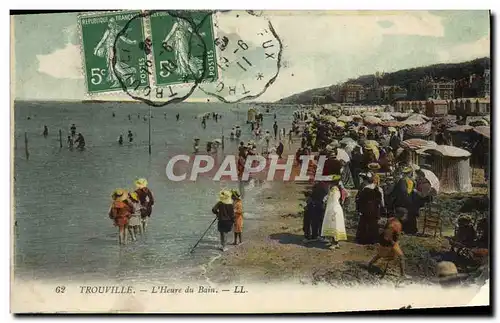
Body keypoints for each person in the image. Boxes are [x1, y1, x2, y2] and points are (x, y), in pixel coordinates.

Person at [355, 173, 383, 245]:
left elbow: (361, 199)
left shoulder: (366, 187)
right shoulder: (380, 189)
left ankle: (362, 240)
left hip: (366, 209)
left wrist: (360, 208)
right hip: (375, 209)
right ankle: (373, 240)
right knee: (373, 224)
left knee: (364, 224)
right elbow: (382, 202)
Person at [321, 175, 348, 250]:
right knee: (336, 225)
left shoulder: (334, 189)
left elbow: (331, 199)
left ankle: (334, 243)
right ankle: (336, 242)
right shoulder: (339, 189)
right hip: (337, 208)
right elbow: (347, 195)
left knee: (333, 225)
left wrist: (324, 200)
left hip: (333, 209)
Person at [391, 166, 418, 234]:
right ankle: (409, 230)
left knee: (400, 215)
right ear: (409, 173)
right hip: (410, 202)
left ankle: (401, 228)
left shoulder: (401, 181)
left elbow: (397, 192)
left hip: (402, 202)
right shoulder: (412, 181)